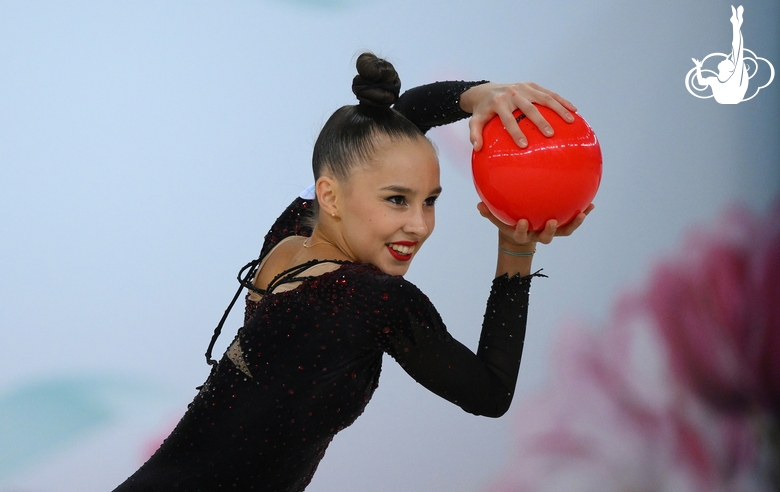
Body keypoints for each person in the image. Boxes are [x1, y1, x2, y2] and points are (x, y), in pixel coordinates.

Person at [112, 52, 591, 491]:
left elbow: (397, 123)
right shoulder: (370, 299)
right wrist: (515, 250)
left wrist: (479, 96)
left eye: (429, 201)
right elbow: (489, 392)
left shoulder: (290, 234)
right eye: (397, 200)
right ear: (331, 196)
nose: (419, 225)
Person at [692, 5, 749, 104]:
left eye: (727, 61)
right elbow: (701, 82)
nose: (725, 59)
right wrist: (698, 67)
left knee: (736, 50)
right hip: (730, 97)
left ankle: (736, 23)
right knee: (737, 51)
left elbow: (701, 82)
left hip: (730, 97)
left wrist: (698, 67)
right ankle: (736, 23)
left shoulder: (719, 79)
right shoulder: (721, 79)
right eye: (728, 61)